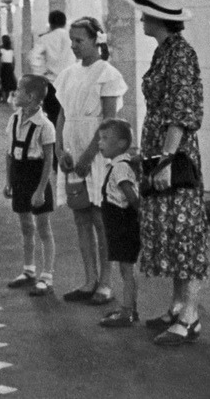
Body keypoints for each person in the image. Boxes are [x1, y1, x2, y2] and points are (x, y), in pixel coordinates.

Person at [130, 0, 207, 347]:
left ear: (159, 18)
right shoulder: (165, 52)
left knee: (185, 231)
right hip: (162, 150)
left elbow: (180, 111)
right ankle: (178, 306)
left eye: (145, 13)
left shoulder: (179, 55)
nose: (141, 17)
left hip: (174, 156)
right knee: (173, 231)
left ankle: (190, 315)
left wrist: (165, 162)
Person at [54, 16, 127, 307]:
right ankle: (89, 279)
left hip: (96, 153)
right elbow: (61, 115)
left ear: (95, 40)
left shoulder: (107, 73)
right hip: (72, 153)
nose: (73, 46)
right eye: (71, 40)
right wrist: (60, 150)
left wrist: (87, 156)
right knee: (80, 215)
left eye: (79, 40)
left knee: (100, 218)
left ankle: (106, 283)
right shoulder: (69, 74)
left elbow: (110, 120)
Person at [3, 74, 58, 297]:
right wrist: (8, 181)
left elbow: (48, 160)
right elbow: (8, 153)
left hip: (36, 177)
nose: (15, 94)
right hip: (19, 174)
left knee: (43, 228)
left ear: (32, 96)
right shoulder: (14, 119)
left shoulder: (45, 126)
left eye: (19, 90)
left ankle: (47, 275)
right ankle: (28, 270)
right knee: (26, 225)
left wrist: (41, 190)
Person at [96, 118, 140, 327]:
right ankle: (129, 307)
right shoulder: (116, 165)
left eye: (105, 138)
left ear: (121, 144)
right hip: (119, 224)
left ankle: (128, 311)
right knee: (125, 269)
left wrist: (140, 213)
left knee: (126, 269)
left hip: (123, 225)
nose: (100, 143)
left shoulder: (121, 168)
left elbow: (131, 197)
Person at [30, 10, 73, 83]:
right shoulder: (73, 38)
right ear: (65, 23)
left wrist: (41, 74)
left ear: (50, 24)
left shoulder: (45, 39)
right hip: (70, 79)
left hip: (51, 80)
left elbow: (34, 58)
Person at [0, 35, 17, 103]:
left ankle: (4, 98)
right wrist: (13, 67)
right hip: (10, 66)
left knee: (3, 82)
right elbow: (13, 59)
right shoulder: (11, 49)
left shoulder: (0, 48)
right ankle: (8, 97)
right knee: (9, 82)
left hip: (3, 66)